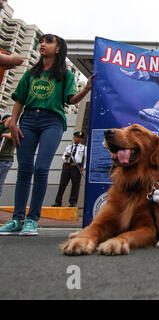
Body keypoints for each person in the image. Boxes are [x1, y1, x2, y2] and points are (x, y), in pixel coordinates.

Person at [0, 34, 94, 236]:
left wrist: (86, 89)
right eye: (41, 41)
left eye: (48, 41)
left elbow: (71, 100)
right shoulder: (31, 73)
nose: (42, 44)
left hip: (52, 121)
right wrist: (13, 124)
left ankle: (32, 220)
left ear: (59, 49)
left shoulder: (65, 74)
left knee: (41, 168)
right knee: (24, 170)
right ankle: (17, 219)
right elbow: (20, 100)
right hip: (28, 120)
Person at [52, 131, 86, 207]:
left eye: (80, 138)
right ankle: (58, 201)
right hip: (67, 166)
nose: (78, 139)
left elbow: (86, 158)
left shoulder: (83, 148)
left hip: (76, 167)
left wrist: (84, 166)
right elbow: (63, 157)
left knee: (75, 184)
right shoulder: (69, 147)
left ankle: (73, 202)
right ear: (74, 138)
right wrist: (66, 157)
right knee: (62, 184)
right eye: (77, 137)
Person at [0, 114, 14, 198]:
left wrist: (3, 135)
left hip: (5, 160)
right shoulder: (3, 130)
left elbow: (13, 136)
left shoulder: (14, 130)